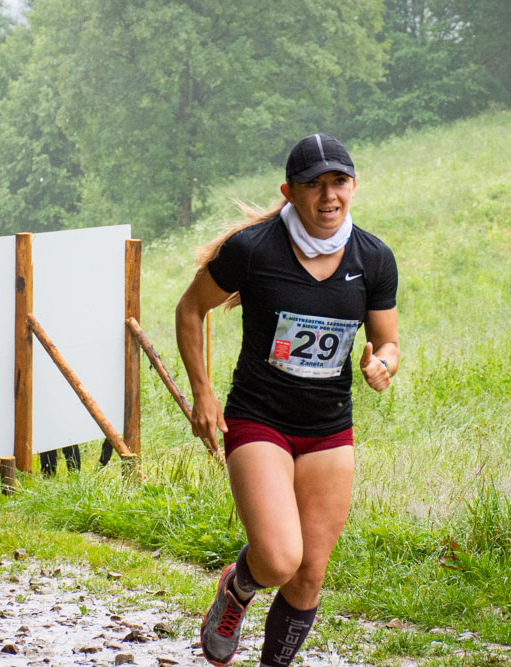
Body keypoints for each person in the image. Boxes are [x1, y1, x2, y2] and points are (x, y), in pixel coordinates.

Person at [175, 134, 398, 666]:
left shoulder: (373, 258)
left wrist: (381, 365)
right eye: (313, 185)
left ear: (353, 185)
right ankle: (238, 587)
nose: (328, 196)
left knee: (309, 575)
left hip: (328, 427)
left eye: (338, 182)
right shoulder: (253, 248)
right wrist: (203, 396)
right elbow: (190, 311)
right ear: (289, 191)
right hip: (259, 420)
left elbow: (388, 341)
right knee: (277, 561)